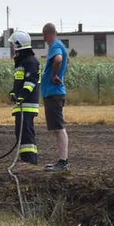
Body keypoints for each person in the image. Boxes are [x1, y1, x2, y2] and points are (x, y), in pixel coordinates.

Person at [40, 22, 69, 171]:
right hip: (53, 92)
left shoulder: (55, 46)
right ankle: (61, 160)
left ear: (46, 34)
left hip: (54, 93)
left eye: (44, 35)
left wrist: (54, 75)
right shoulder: (60, 45)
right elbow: (66, 61)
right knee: (57, 128)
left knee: (59, 128)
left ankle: (63, 162)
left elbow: (58, 59)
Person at [7, 30, 40, 164]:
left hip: (27, 105)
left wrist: (22, 96)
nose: (12, 48)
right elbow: (19, 82)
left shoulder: (30, 61)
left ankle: (31, 161)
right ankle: (26, 160)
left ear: (18, 45)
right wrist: (13, 92)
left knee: (26, 133)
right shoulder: (21, 62)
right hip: (21, 105)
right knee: (21, 133)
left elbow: (30, 82)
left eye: (13, 45)